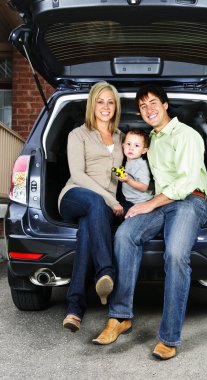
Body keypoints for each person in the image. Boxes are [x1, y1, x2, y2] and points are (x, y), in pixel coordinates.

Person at [93, 84, 207, 360]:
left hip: (190, 200)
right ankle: (120, 316)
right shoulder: (152, 140)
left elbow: (186, 182)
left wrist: (148, 204)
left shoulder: (187, 135)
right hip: (160, 202)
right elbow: (129, 160)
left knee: (176, 254)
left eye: (153, 102)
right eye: (143, 106)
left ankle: (169, 337)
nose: (148, 109)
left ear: (165, 104)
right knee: (124, 235)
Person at [58, 81, 124, 332]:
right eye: (100, 101)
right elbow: (78, 174)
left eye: (110, 101)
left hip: (103, 205)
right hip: (75, 196)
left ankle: (74, 309)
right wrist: (110, 199)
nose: (105, 106)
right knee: (94, 203)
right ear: (92, 105)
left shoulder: (120, 136)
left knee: (87, 228)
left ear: (115, 106)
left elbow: (119, 173)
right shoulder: (78, 134)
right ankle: (105, 272)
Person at [117, 129, 153, 213]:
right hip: (129, 199)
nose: (131, 148)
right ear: (123, 146)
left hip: (141, 202)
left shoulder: (141, 165)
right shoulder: (127, 161)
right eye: (128, 144)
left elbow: (144, 187)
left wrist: (128, 180)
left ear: (144, 150)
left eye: (136, 145)